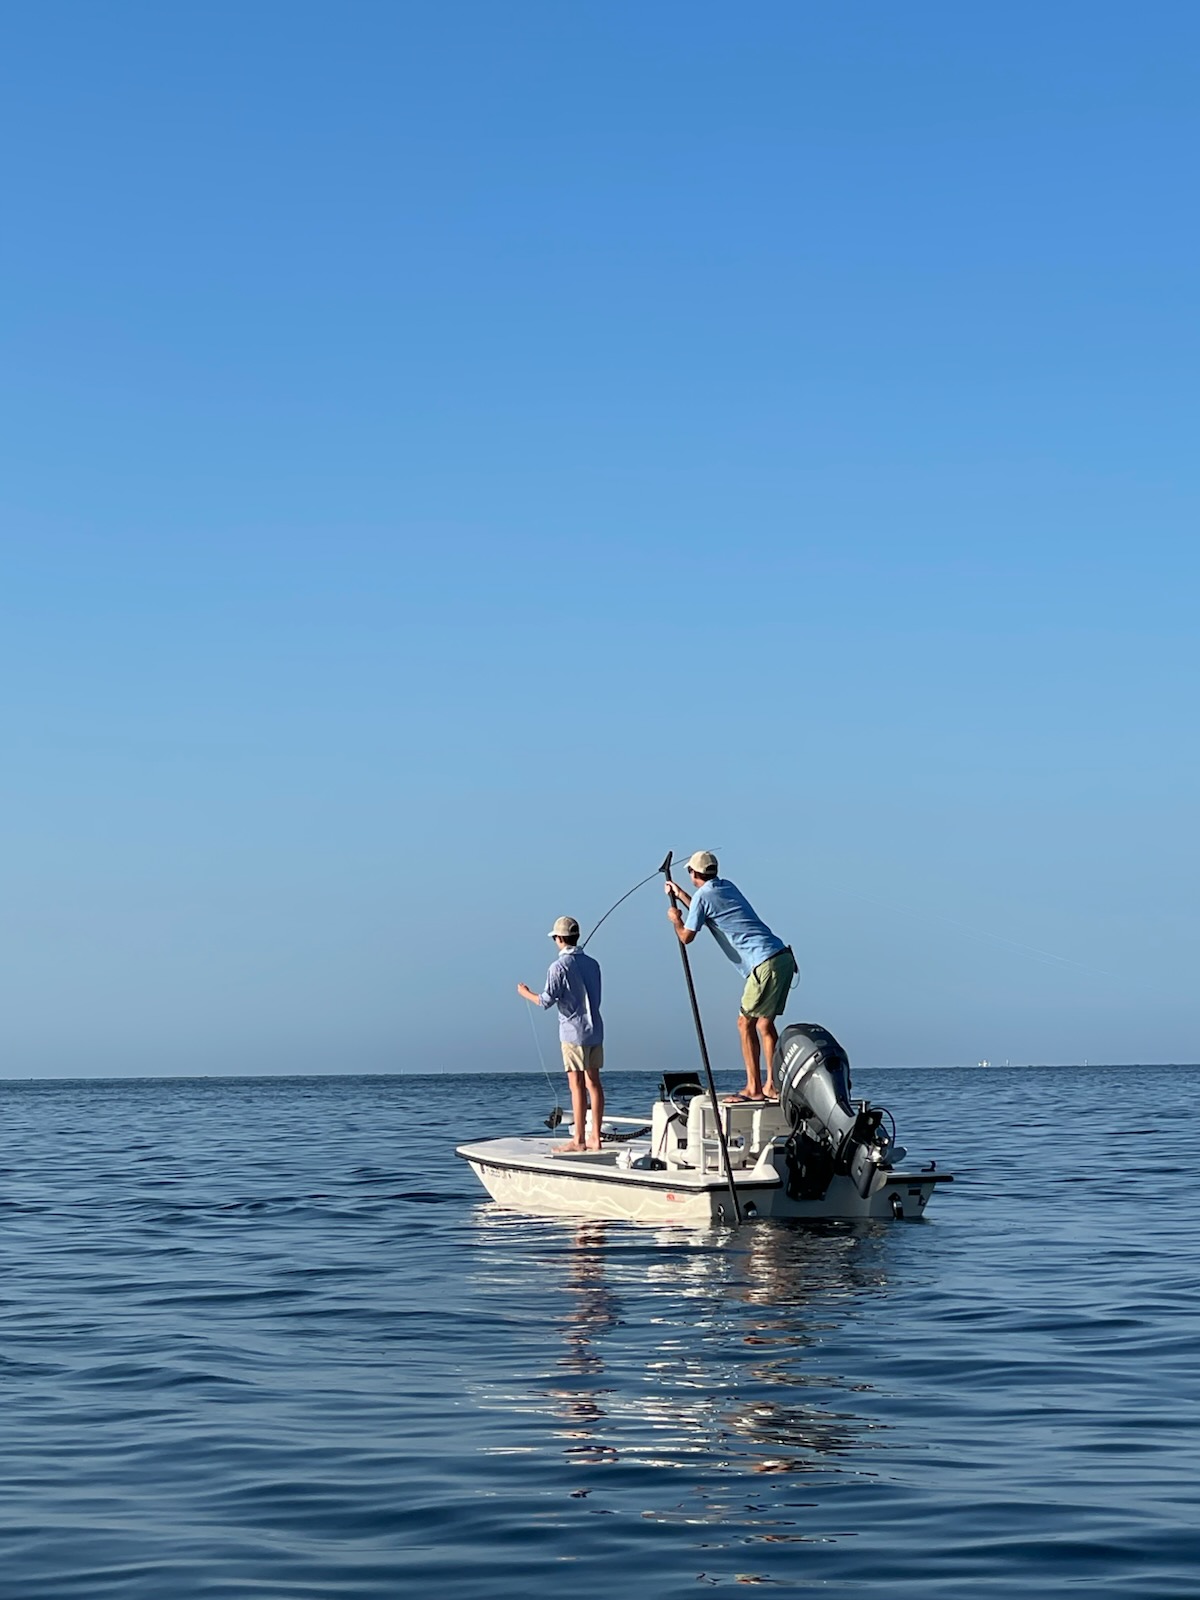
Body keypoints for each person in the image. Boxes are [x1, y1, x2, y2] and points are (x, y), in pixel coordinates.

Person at [664, 851, 796, 1102]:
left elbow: (686, 936)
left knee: (744, 1023)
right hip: (782, 958)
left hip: (763, 964)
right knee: (764, 1025)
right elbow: (705, 911)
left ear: (694, 873)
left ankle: (754, 1088)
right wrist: (680, 894)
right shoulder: (726, 886)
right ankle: (773, 1085)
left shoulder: (703, 896)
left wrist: (675, 919)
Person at [517, 915, 606, 1153]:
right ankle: (595, 1137)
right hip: (595, 1029)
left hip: (572, 1032)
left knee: (576, 1085)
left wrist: (525, 993)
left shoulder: (558, 967)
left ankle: (579, 1140)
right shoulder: (593, 964)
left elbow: (545, 1001)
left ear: (559, 939)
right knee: (594, 1083)